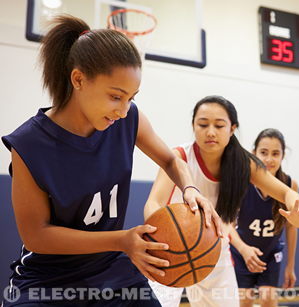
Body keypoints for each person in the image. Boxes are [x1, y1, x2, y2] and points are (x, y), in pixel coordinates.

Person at [1, 15, 221, 306]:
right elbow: (37, 237)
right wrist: (121, 240)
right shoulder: (29, 143)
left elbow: (172, 161)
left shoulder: (129, 118)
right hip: (47, 279)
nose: (123, 108)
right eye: (116, 96)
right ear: (78, 79)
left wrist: (191, 189)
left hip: (111, 269)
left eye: (131, 97)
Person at [144, 95, 299, 307]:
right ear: (193, 126)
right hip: (170, 249)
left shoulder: (243, 163)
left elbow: (286, 193)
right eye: (203, 124)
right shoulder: (179, 156)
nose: (210, 131)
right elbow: (153, 203)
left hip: (213, 249)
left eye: (219, 125)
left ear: (232, 128)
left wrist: (296, 210)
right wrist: (161, 237)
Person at [229, 128, 299, 307]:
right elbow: (227, 223)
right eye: (264, 152)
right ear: (253, 154)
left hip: (270, 253)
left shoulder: (290, 185)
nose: (269, 159)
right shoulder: (242, 182)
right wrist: (243, 249)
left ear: (283, 156)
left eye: (275, 153)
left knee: (268, 298)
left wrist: (290, 266)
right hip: (242, 252)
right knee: (244, 300)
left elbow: (292, 227)